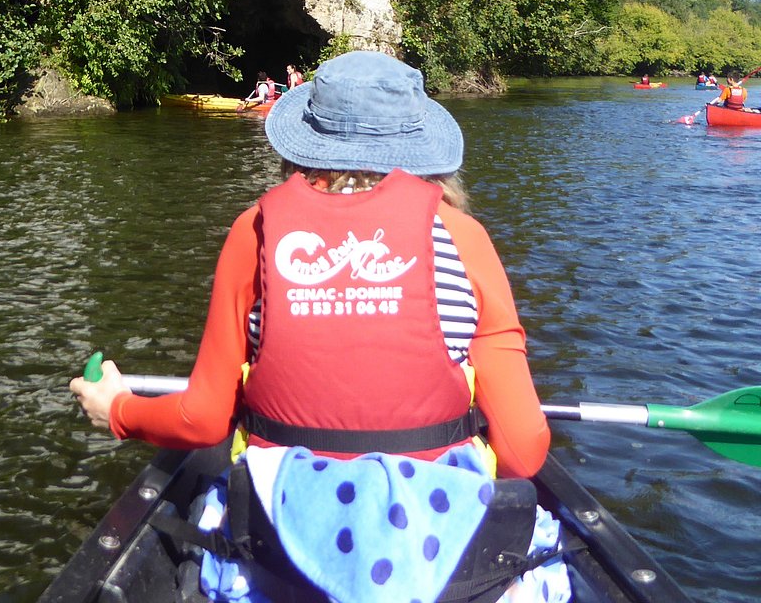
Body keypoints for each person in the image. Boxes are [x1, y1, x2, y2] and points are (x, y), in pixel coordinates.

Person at [71, 51, 556, 603]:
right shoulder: (465, 239)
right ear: (424, 150)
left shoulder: (253, 232)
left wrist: (118, 410)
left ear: (307, 143)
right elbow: (522, 450)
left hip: (280, 538)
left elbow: (203, 419)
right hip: (440, 547)